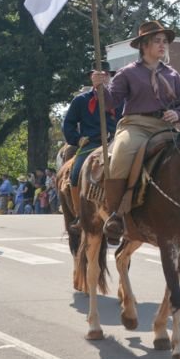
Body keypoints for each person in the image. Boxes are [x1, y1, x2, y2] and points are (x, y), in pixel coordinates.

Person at [92, 20, 180, 243]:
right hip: (135, 125)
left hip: (165, 128)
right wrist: (99, 87)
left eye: (164, 41)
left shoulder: (174, 75)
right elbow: (110, 102)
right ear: (144, 45)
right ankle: (115, 215)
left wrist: (178, 114)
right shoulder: (127, 73)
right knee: (121, 156)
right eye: (157, 41)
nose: (162, 45)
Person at [62, 61, 120, 232]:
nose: (103, 77)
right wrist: (77, 139)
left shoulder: (119, 100)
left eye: (106, 75)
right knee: (76, 171)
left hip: (116, 143)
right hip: (91, 144)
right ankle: (79, 213)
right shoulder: (81, 100)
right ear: (91, 77)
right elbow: (69, 124)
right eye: (98, 75)